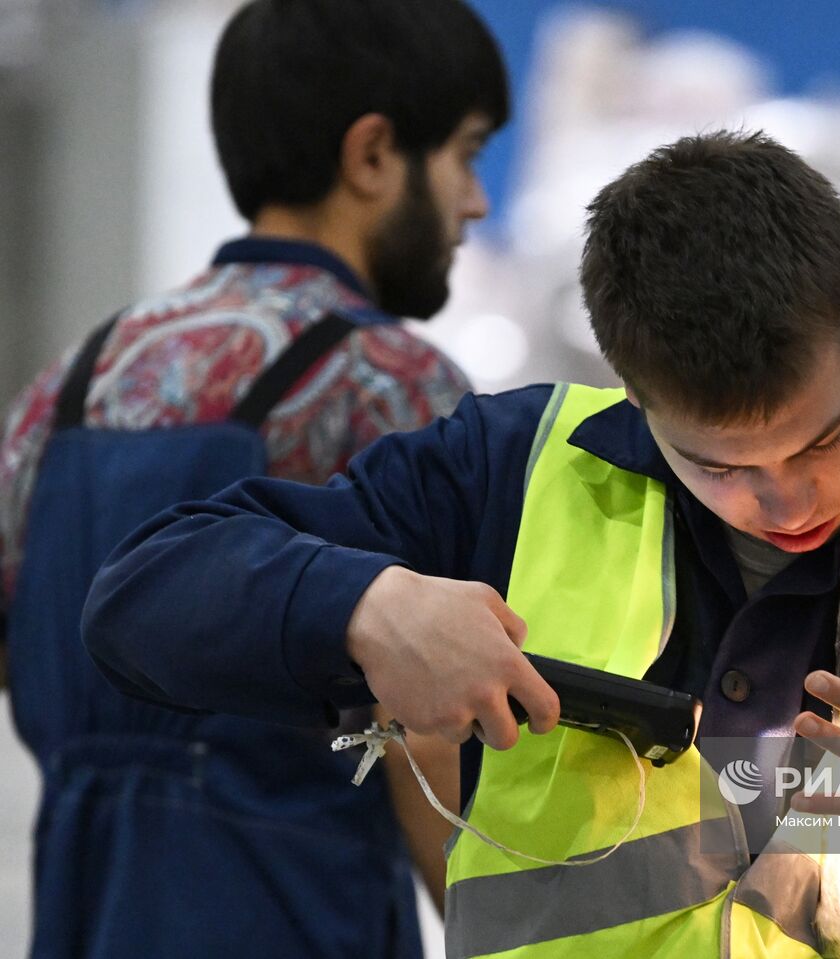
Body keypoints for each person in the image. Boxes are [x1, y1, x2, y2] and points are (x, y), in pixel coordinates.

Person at [84, 131, 840, 958]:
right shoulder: (509, 471)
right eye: (717, 465)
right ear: (633, 386)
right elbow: (141, 597)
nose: (780, 501)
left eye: (821, 436)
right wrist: (362, 606)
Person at [0, 0, 510, 954]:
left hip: (80, 919)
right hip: (301, 920)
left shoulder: (65, 386)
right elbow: (433, 740)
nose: (475, 203)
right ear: (372, 157)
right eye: (467, 157)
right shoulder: (394, 386)